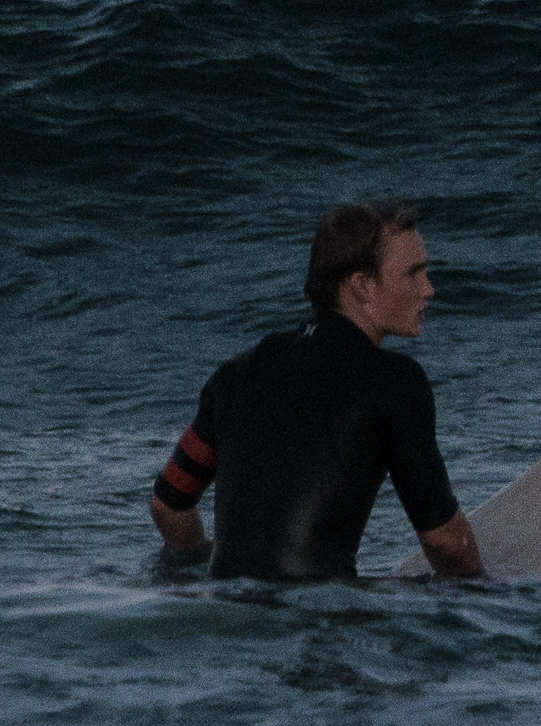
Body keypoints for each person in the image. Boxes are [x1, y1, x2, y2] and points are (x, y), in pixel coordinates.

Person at [148, 201, 484, 580]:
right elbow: (445, 544)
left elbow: (167, 506)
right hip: (320, 621)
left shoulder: (238, 372)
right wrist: (486, 598)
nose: (429, 289)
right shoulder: (394, 382)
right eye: (413, 274)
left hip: (228, 615)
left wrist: (200, 561)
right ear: (362, 286)